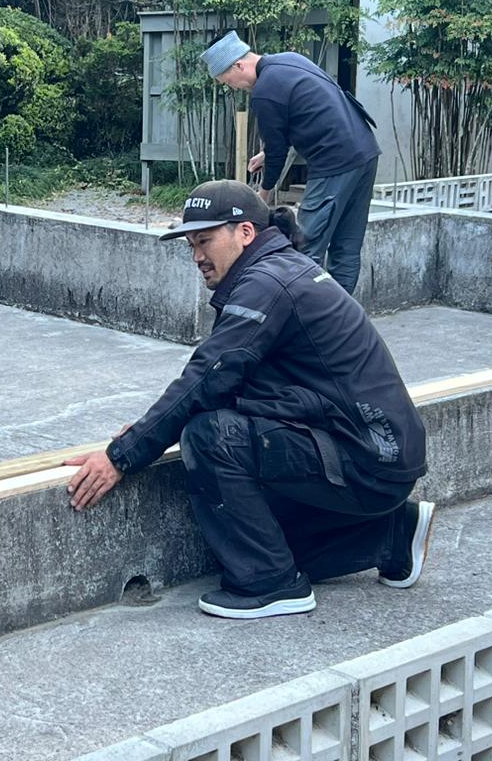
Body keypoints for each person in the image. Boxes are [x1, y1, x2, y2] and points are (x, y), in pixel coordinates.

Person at [64, 180, 432, 619]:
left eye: (205, 240)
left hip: (367, 457)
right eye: (190, 244)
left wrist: (121, 456)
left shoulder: (266, 284)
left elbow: (207, 376)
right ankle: (391, 534)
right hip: (376, 453)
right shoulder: (280, 268)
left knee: (209, 437)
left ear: (245, 232)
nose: (196, 256)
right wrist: (152, 430)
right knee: (260, 537)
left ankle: (271, 585)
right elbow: (233, 383)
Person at [202, 30, 380, 295]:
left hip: (334, 163)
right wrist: (267, 154)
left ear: (238, 65)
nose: (234, 87)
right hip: (365, 151)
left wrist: (260, 198)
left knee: (304, 245)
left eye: (228, 81)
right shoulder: (290, 60)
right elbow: (313, 112)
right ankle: (342, 319)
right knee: (347, 245)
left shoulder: (264, 91)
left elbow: (277, 152)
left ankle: (306, 315)